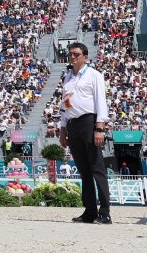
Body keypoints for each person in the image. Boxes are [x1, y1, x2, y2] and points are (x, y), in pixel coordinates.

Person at [58, 42, 111, 224]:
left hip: (89, 122)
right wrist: (63, 129)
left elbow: (101, 101)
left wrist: (99, 127)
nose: (72, 57)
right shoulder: (67, 79)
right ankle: (90, 211)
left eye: (76, 54)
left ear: (85, 57)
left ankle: (105, 212)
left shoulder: (94, 75)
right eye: (70, 54)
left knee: (97, 169)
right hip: (73, 124)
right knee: (84, 171)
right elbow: (64, 106)